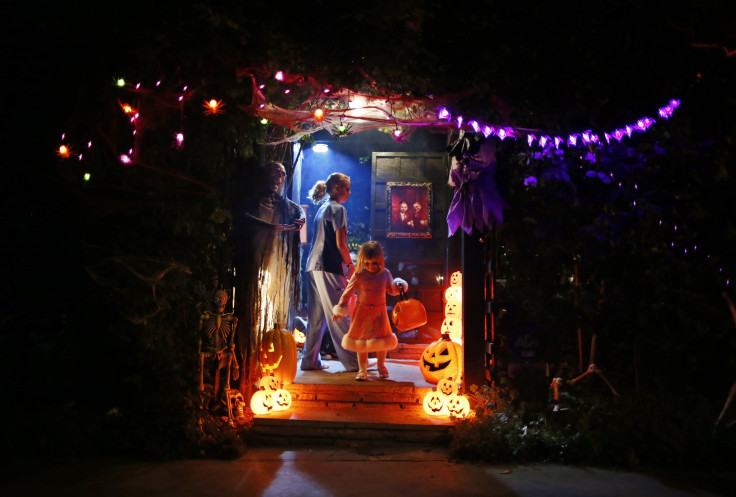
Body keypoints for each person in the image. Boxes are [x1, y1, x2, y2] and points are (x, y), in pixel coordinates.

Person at [234, 160, 305, 388]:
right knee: (255, 306)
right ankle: (252, 357)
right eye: (275, 174)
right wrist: (269, 226)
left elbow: (298, 209)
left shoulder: (284, 204)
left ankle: (270, 352)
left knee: (273, 307)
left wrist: (301, 215)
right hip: (256, 259)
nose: (278, 179)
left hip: (276, 261)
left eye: (282, 175)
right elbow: (242, 214)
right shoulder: (253, 200)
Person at [301, 172, 359, 372]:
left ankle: (309, 361)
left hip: (312, 266)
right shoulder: (338, 209)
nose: (349, 193)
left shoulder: (322, 209)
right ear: (336, 187)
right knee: (340, 313)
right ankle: (354, 362)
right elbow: (341, 244)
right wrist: (351, 267)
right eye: (347, 188)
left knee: (316, 318)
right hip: (328, 267)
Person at [333, 241, 408, 381]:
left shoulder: (385, 274)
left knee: (382, 340)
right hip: (362, 313)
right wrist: (340, 308)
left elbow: (391, 290)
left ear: (380, 261)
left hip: (380, 312)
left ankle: (381, 365)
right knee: (362, 342)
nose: (370, 267)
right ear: (362, 261)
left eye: (374, 263)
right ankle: (362, 369)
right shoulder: (359, 274)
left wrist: (398, 285)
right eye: (367, 263)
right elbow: (348, 293)